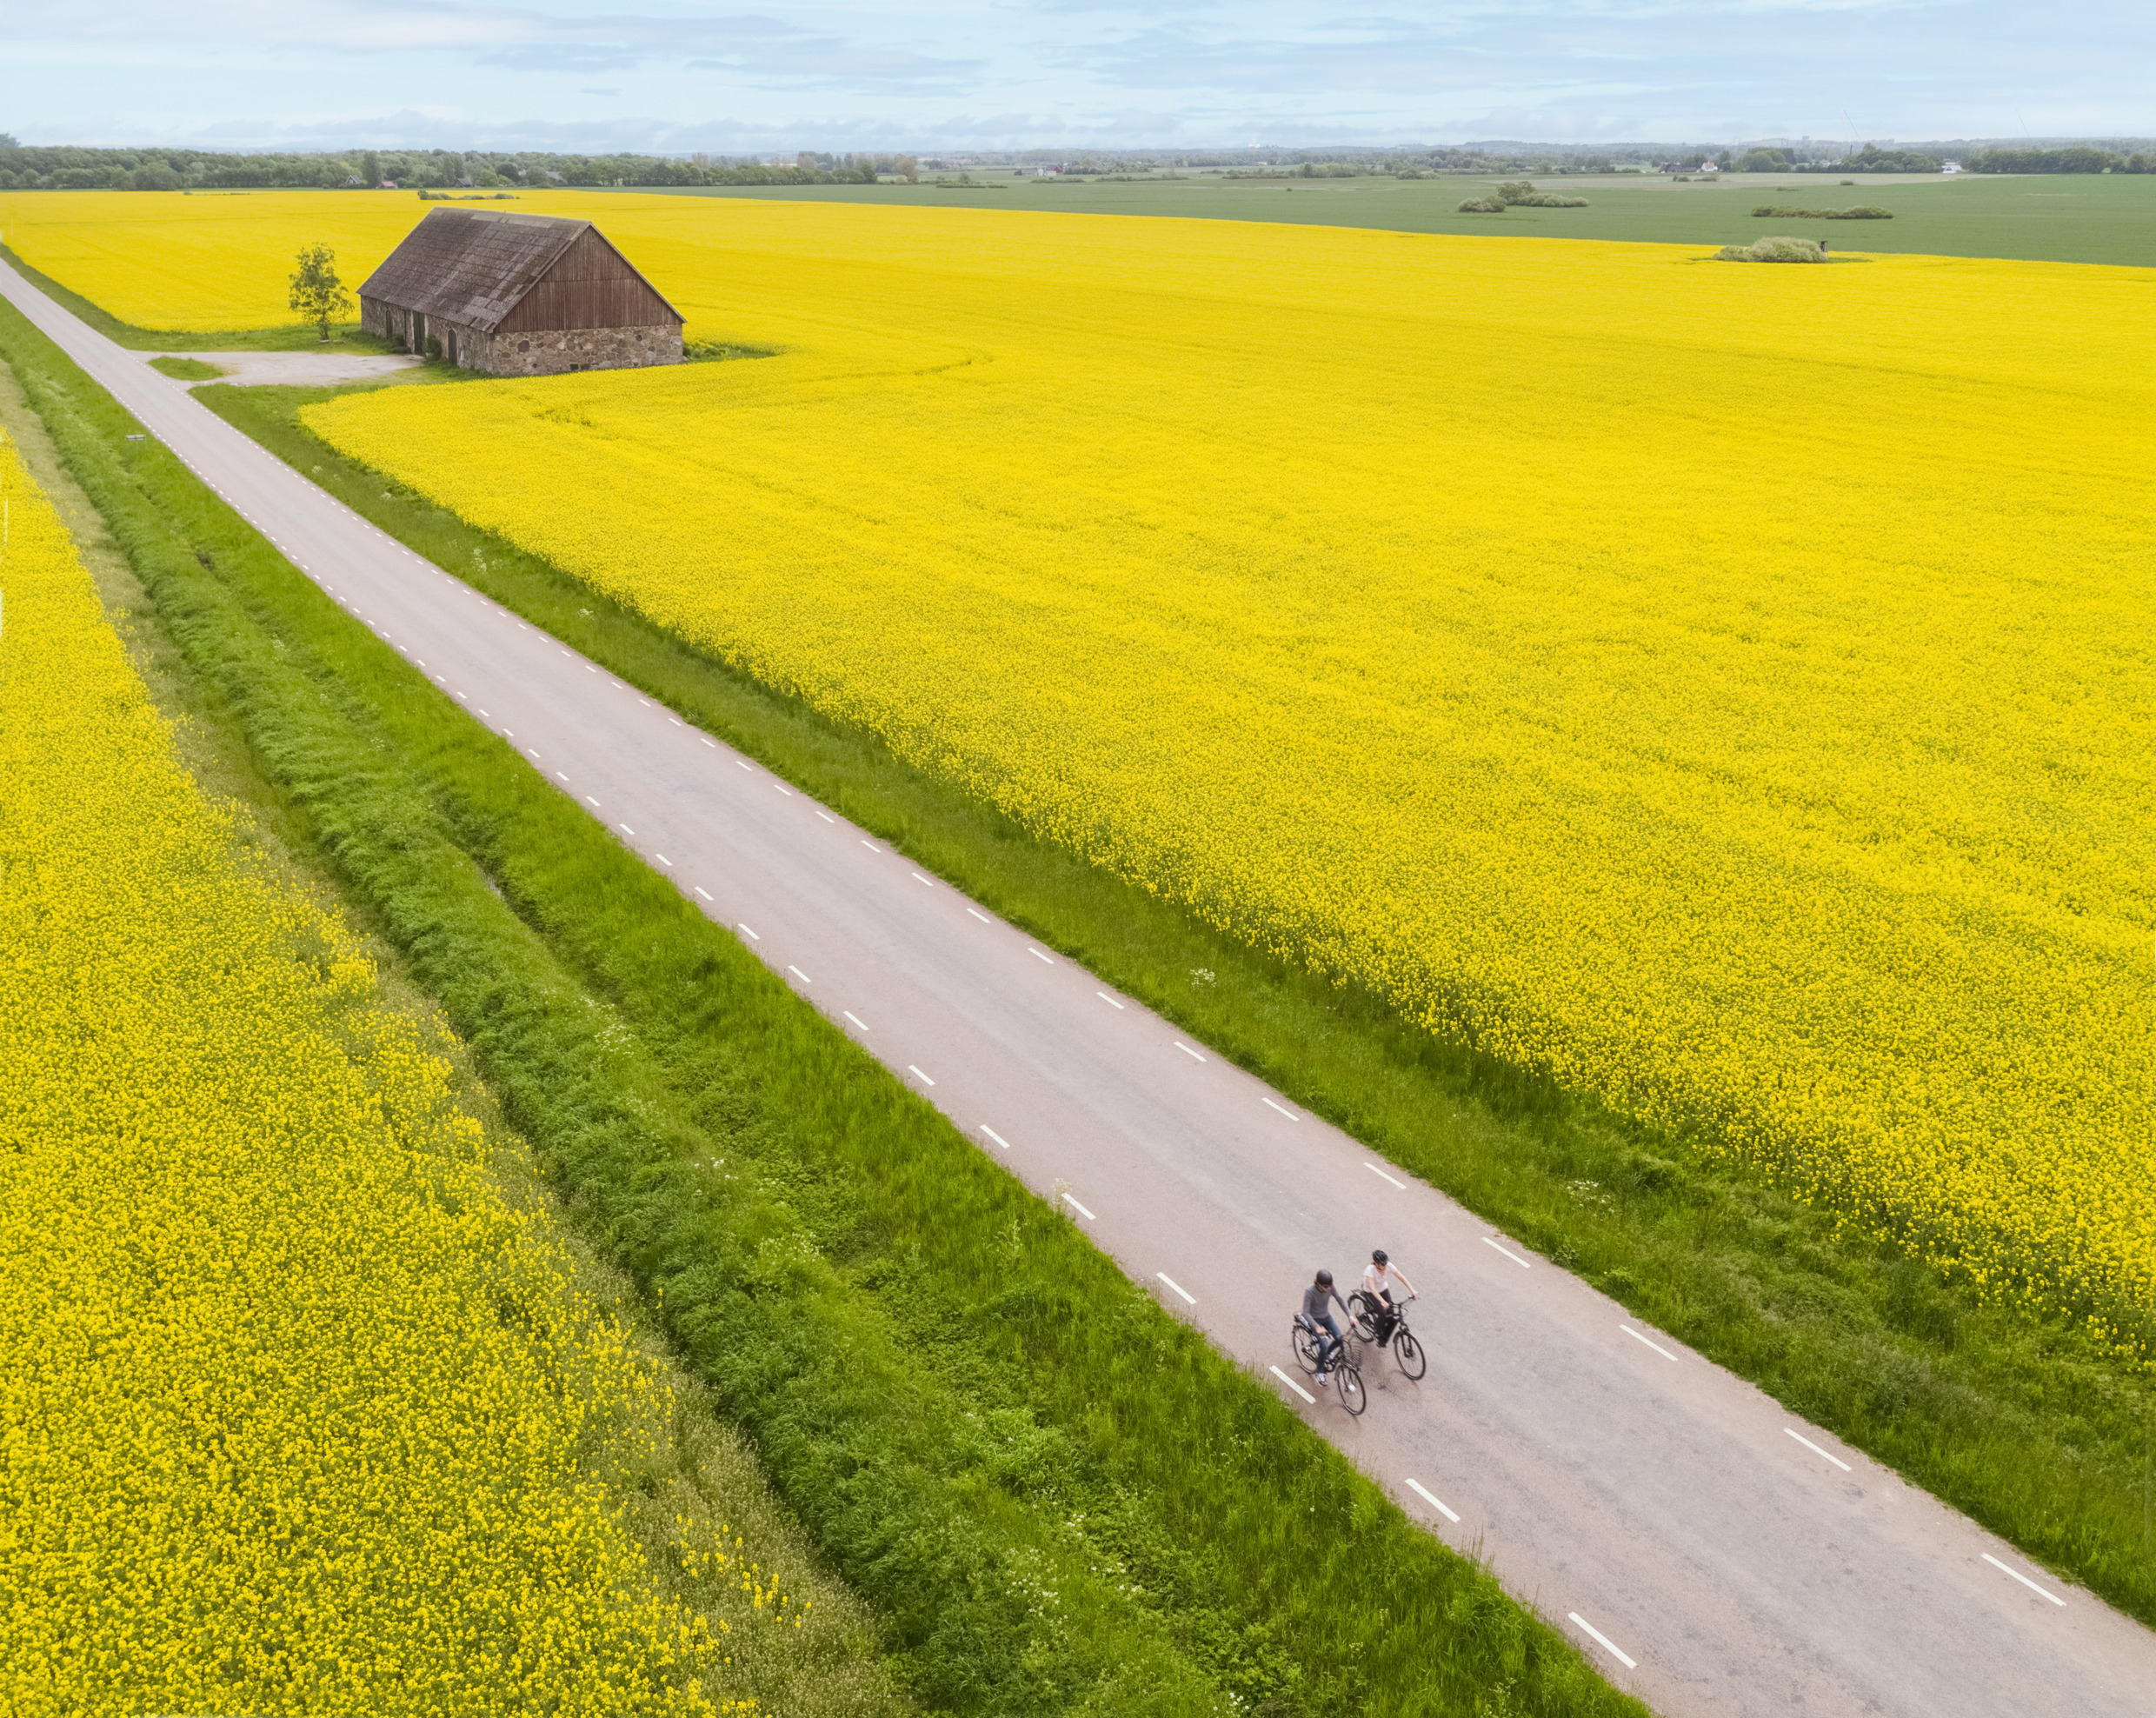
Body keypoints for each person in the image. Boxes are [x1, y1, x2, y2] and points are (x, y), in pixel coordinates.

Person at [1299, 1269, 1353, 1382]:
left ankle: (1327, 1354)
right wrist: (1316, 1327)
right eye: (1326, 1287)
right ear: (1318, 1284)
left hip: (1327, 1317)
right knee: (1323, 1345)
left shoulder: (1330, 1287)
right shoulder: (1309, 1292)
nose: (1329, 1289)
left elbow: (1340, 1299)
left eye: (1329, 1286)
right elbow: (1306, 1313)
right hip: (1315, 1320)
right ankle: (1320, 1372)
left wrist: (1350, 1316)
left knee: (1340, 1338)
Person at [1361, 1249, 1418, 1348]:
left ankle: (1383, 1332)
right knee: (1382, 1313)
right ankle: (1378, 1333)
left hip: (1383, 1289)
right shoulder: (1370, 1269)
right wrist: (1382, 1302)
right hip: (1370, 1292)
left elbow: (1401, 1277)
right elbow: (1372, 1288)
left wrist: (1412, 1290)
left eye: (1386, 1263)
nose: (1385, 1265)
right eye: (1383, 1264)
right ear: (1377, 1264)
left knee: (1391, 1313)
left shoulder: (1388, 1266)